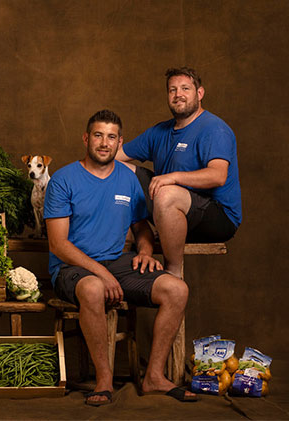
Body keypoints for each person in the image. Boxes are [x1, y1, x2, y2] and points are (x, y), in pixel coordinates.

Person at [44, 109, 196, 406]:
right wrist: (102, 274)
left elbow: (141, 226)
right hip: (72, 266)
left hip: (116, 262)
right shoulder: (63, 179)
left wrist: (145, 251)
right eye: (98, 135)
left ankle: (153, 377)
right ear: (86, 138)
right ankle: (104, 380)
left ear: (119, 142)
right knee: (93, 288)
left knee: (177, 289)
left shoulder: (128, 180)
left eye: (111, 137)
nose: (104, 143)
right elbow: (58, 244)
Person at [115, 67, 242, 278]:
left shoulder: (215, 129)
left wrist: (171, 178)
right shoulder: (160, 131)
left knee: (167, 192)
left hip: (218, 216)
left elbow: (217, 176)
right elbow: (113, 158)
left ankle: (172, 272)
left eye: (185, 88)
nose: (178, 94)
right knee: (118, 169)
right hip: (169, 210)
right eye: (172, 90)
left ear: (199, 93)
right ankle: (128, 238)